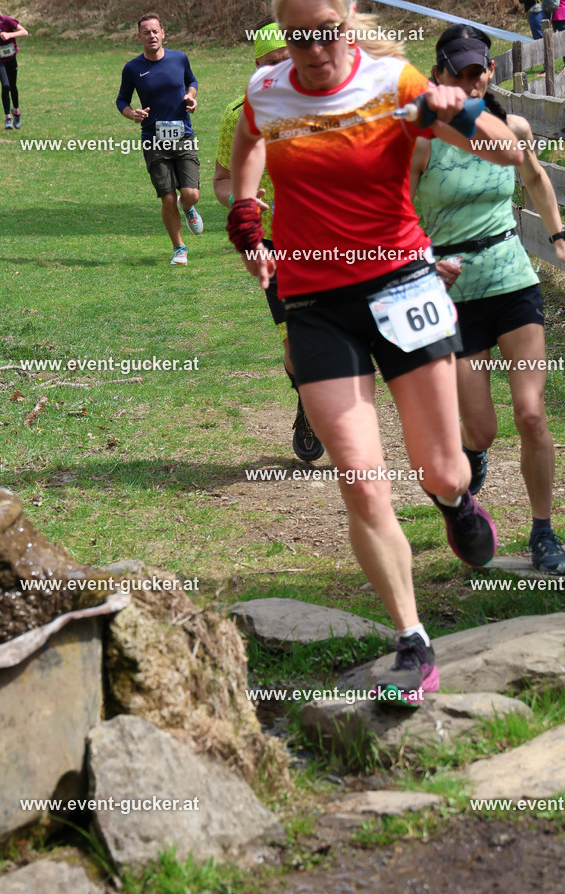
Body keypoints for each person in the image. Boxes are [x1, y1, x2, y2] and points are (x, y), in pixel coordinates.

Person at [228, 0, 522, 705]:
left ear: (345, 24)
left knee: (441, 466)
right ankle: (412, 640)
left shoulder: (394, 82)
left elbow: (503, 149)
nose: (313, 52)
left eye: (324, 35)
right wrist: (246, 212)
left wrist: (446, 112)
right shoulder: (265, 92)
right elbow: (248, 147)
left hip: (401, 286)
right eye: (297, 38)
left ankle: (453, 500)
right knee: (359, 477)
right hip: (315, 303)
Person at [411, 25, 565, 575]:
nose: (471, 80)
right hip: (453, 291)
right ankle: (473, 459)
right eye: (459, 72)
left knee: (532, 414)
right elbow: (397, 212)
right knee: (480, 428)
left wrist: (559, 238)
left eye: (478, 70)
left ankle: (543, 532)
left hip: (512, 280)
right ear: (437, 75)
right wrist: (418, 261)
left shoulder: (512, 128)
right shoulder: (424, 140)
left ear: (489, 71)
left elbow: (534, 177)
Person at [214, 18, 324, 462]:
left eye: (290, 60)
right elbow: (222, 181)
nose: (283, 70)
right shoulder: (239, 116)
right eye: (273, 62)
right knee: (297, 349)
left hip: (333, 242)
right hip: (275, 248)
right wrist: (241, 200)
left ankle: (330, 406)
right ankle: (310, 402)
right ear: (258, 66)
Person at [116, 11, 204, 266]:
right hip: (153, 138)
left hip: (183, 135)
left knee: (192, 194)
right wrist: (131, 113)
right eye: (146, 32)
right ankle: (179, 248)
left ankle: (187, 207)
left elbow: (192, 80)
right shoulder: (133, 68)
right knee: (166, 197)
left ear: (163, 33)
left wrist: (191, 96)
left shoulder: (179, 58)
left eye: (156, 31)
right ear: (139, 37)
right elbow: (121, 99)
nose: (152, 36)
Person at [0, 1, 28, 130]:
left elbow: (25, 32)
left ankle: (16, 112)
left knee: (13, 86)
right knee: (5, 85)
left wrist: (9, 35)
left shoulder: (7, 21)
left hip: (11, 58)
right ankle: (7, 118)